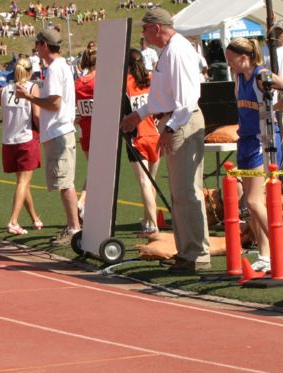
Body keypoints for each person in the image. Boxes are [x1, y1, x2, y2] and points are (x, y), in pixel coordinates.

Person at [121, 8, 209, 274]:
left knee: (186, 192)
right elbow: (164, 96)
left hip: (181, 121)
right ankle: (187, 252)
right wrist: (139, 115)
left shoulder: (177, 51)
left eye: (145, 29)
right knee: (180, 193)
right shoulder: (170, 51)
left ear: (157, 28)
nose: (143, 34)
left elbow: (186, 98)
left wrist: (170, 128)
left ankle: (196, 255)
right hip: (176, 120)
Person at [225, 37, 283, 273]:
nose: (228, 64)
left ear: (244, 58)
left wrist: (280, 107)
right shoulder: (239, 78)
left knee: (253, 200)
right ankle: (266, 254)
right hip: (246, 140)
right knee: (251, 203)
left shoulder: (261, 75)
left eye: (231, 60)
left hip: (263, 139)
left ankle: (281, 252)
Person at [15, 28, 79, 247]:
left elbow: (54, 102)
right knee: (64, 182)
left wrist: (29, 97)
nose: (36, 48)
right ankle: (74, 225)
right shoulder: (62, 67)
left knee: (65, 182)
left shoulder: (54, 69)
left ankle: (74, 228)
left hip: (59, 131)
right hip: (61, 130)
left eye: (37, 43)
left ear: (44, 45)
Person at [0, 57, 43, 235]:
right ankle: (13, 221)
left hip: (9, 142)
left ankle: (35, 218)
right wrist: (45, 133)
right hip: (26, 139)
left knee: (22, 182)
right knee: (23, 182)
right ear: (30, 73)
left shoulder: (4, 89)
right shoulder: (31, 87)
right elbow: (36, 115)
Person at [124, 48, 161, 237]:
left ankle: (152, 226)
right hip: (155, 135)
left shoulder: (125, 84)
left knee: (145, 183)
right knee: (150, 183)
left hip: (137, 137)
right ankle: (148, 220)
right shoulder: (151, 80)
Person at [73, 49, 96, 219]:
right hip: (100, 129)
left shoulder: (79, 83)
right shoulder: (99, 81)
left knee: (92, 168)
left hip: (85, 129)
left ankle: (86, 205)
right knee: (99, 171)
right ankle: (82, 202)